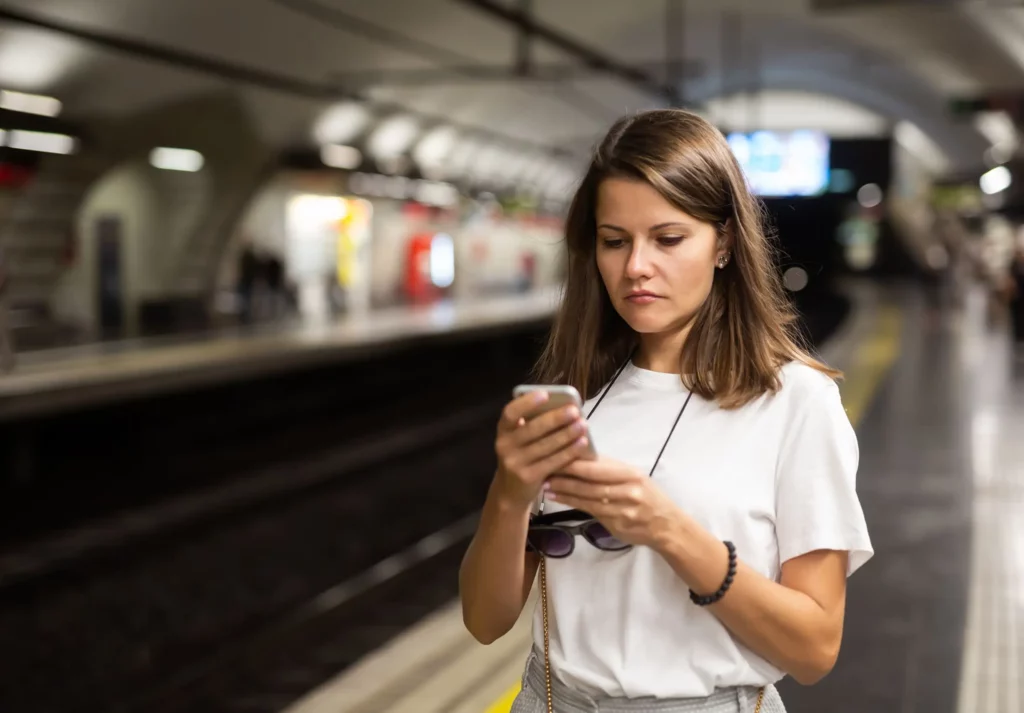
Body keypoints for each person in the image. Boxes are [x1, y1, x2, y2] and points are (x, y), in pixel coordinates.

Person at [458, 109, 873, 713]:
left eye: (668, 239)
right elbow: (485, 621)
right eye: (614, 241)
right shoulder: (576, 397)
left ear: (724, 242)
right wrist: (510, 493)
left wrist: (670, 532)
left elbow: (814, 648)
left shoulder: (796, 402)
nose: (635, 268)